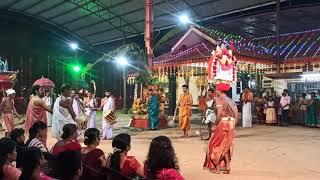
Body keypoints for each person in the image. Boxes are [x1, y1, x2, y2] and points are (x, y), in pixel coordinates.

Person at [203, 84, 238, 174]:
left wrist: (215, 125)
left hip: (224, 122)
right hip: (232, 122)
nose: (215, 92)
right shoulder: (230, 100)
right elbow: (236, 114)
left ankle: (217, 168)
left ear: (218, 91)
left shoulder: (219, 99)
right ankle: (227, 166)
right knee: (225, 145)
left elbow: (220, 114)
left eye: (216, 90)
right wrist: (233, 125)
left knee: (214, 145)